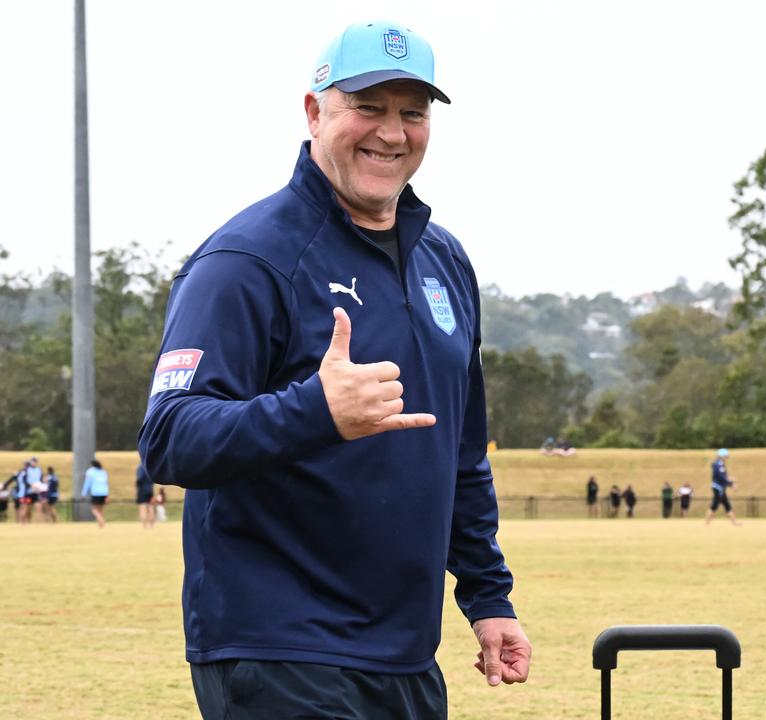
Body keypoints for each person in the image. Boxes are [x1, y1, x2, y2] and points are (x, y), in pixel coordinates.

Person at [137, 21, 530, 718]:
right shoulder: (246, 261)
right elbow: (170, 436)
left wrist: (486, 593)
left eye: (413, 112)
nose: (392, 132)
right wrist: (314, 411)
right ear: (315, 112)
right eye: (368, 107)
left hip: (404, 653)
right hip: (279, 647)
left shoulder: (446, 262)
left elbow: (461, 454)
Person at [704, 448, 740, 525]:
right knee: (714, 505)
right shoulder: (719, 465)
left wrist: (729, 481)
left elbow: (723, 477)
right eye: (726, 456)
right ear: (722, 456)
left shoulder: (719, 464)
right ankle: (706, 523)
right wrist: (731, 483)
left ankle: (734, 523)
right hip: (718, 488)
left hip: (720, 488)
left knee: (727, 505)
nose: (727, 458)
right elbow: (722, 477)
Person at [81, 459, 109, 529]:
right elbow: (106, 483)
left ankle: (101, 520)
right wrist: (107, 494)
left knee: (94, 510)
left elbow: (87, 483)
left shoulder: (90, 472)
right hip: (104, 492)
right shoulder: (103, 472)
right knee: (100, 509)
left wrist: (84, 493)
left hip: (96, 492)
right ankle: (101, 525)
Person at [136, 464, 156, 529]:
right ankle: (151, 526)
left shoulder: (140, 467)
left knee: (143, 508)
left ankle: (145, 526)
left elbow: (140, 478)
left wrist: (137, 484)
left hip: (142, 490)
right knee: (151, 508)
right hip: (150, 490)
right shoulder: (150, 466)